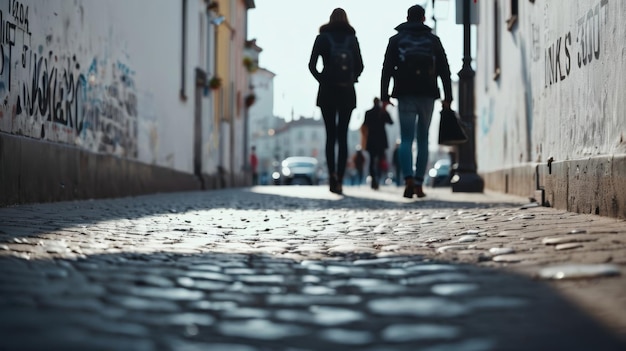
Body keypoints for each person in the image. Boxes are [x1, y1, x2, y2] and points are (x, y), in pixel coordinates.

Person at [381, 4, 453, 199]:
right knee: (423, 139)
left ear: (407, 17)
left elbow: (386, 69)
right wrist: (448, 97)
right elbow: (444, 69)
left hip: (404, 94)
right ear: (423, 18)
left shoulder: (396, 40)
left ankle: (408, 180)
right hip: (427, 94)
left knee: (406, 139)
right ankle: (420, 184)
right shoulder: (433, 40)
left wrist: (384, 97)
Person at [309, 8, 364, 195]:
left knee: (330, 136)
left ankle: (331, 176)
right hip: (347, 92)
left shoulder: (322, 37)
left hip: (327, 92)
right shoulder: (352, 38)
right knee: (343, 137)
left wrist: (323, 79)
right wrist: (351, 79)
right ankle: (341, 178)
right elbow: (360, 66)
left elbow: (311, 65)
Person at [361, 97, 393, 189]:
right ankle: (377, 178)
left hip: (371, 139)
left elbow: (365, 124)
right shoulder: (382, 112)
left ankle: (374, 178)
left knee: (371, 160)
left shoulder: (368, 113)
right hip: (381, 139)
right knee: (380, 160)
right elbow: (391, 122)